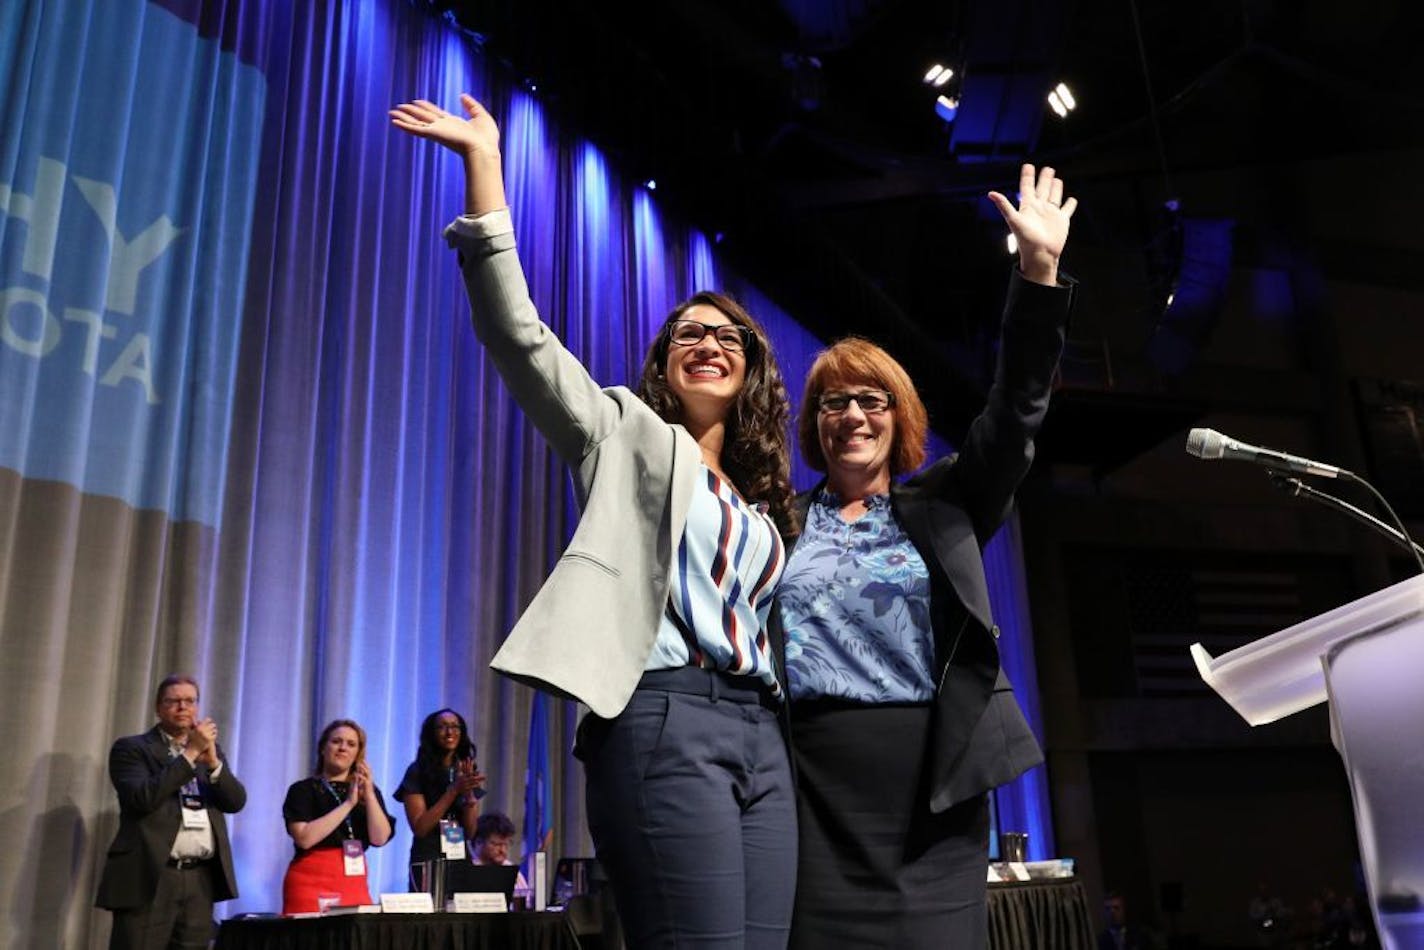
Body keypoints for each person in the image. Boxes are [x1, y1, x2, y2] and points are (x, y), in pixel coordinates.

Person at [390, 93, 799, 948]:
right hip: (663, 718)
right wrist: (484, 168)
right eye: (688, 332)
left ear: (752, 368)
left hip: (763, 735)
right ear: (664, 361)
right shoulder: (621, 431)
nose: (709, 343)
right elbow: (519, 336)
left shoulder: (763, 504)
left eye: (729, 336)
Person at [778, 163, 1078, 949]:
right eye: (834, 402)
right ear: (815, 423)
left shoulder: (947, 501)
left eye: (871, 399)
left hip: (932, 793)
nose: (852, 415)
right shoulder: (775, 521)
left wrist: (1038, 274)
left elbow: (1015, 410)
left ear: (899, 415)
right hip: (810, 791)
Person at [95, 674, 247, 950]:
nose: (182, 707)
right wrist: (189, 755)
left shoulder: (209, 752)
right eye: (174, 701)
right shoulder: (132, 749)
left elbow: (235, 802)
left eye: (190, 701)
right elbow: (142, 798)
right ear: (158, 707)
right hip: (152, 875)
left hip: (200, 879)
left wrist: (213, 763)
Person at [280, 718, 395, 913]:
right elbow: (305, 839)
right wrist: (349, 803)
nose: (343, 748)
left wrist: (367, 794)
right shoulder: (303, 789)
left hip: (353, 881)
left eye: (351, 744)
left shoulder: (368, 792)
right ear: (323, 748)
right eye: (336, 741)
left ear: (358, 754)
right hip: (309, 882)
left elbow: (380, 838)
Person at [394, 708, 486, 879]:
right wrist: (453, 791)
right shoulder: (417, 771)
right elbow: (420, 828)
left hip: (459, 856)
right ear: (431, 733)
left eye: (455, 726)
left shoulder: (465, 769)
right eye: (442, 727)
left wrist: (470, 798)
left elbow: (471, 832)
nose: (450, 732)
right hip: (428, 858)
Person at [471, 811, 530, 894]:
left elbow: (526, 901)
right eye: (496, 844)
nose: (502, 850)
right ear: (479, 842)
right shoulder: (469, 872)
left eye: (506, 844)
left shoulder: (511, 870)